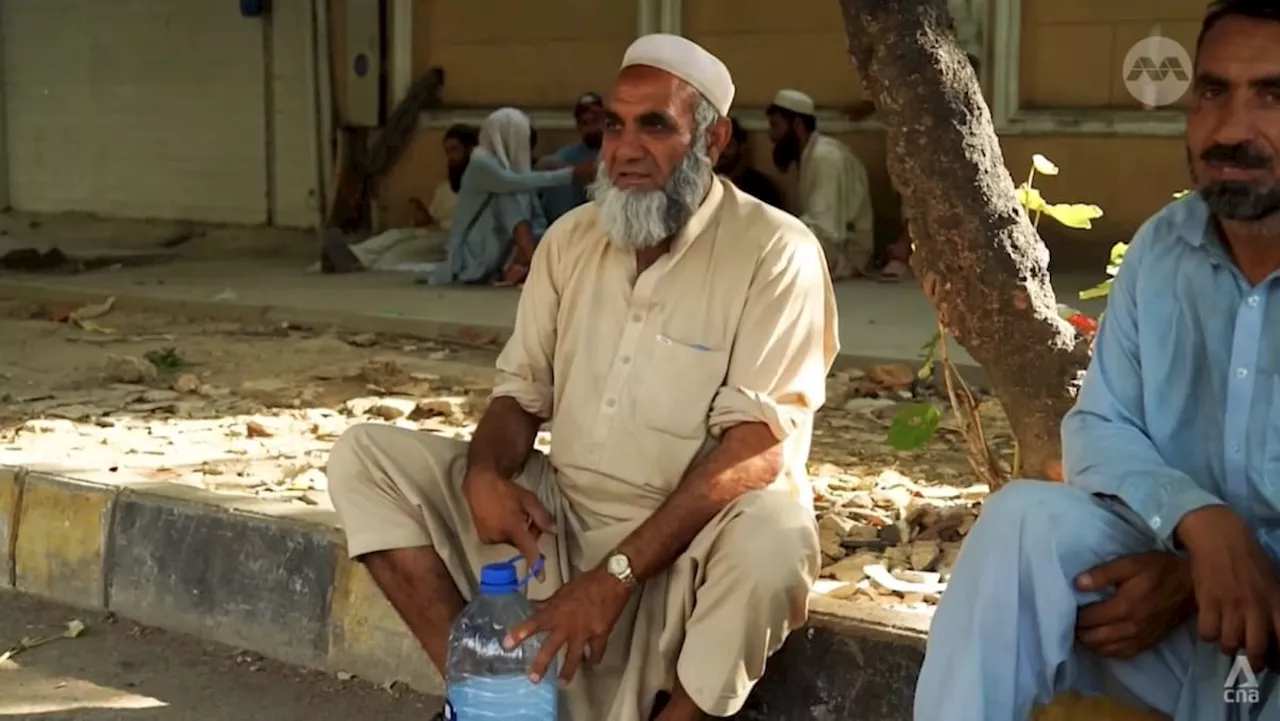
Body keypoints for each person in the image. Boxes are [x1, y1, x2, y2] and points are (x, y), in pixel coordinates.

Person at [326, 32, 838, 721]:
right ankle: (491, 695)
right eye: (614, 127)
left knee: (777, 537)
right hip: (557, 523)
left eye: (655, 126)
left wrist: (615, 575)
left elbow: (758, 446)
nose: (624, 150)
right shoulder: (570, 240)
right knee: (364, 459)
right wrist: (484, 475)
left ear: (712, 142)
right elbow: (519, 392)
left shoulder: (777, 251)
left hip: (685, 546)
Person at [914, 2, 1280, 719]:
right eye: (1212, 92)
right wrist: (1200, 528)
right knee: (1024, 524)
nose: (1232, 129)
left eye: (1274, 95)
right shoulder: (1163, 249)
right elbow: (1100, 426)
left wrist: (1211, 579)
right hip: (1183, 614)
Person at [421, 108, 593, 286]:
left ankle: (528, 266)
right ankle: (537, 269)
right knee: (507, 196)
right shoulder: (480, 163)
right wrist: (571, 173)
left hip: (499, 255)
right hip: (469, 259)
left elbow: (535, 215)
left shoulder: (512, 171)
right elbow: (512, 182)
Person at [316, 124, 478, 274]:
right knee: (395, 235)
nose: (451, 157)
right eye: (447, 151)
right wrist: (422, 215)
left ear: (470, 149)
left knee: (402, 251)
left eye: (455, 150)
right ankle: (352, 254)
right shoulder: (445, 187)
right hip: (435, 231)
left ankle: (359, 263)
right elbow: (433, 220)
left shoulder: (481, 184)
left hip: (456, 238)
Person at [767, 89, 874, 281]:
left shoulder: (825, 157)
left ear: (798, 125)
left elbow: (825, 229)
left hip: (846, 255)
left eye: (776, 126)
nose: (771, 135)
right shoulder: (810, 155)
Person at [538, 92, 606, 223]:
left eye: (595, 120)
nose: (591, 127)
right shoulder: (567, 156)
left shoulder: (618, 151)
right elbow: (544, 166)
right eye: (585, 122)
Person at [715, 117, 783, 208]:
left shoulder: (763, 188)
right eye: (717, 147)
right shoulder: (704, 187)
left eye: (728, 146)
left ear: (742, 146)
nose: (721, 153)